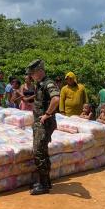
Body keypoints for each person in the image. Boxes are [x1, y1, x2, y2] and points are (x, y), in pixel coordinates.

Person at [27, 59, 60, 195]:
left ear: (40, 71)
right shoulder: (40, 84)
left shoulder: (48, 83)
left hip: (44, 123)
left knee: (39, 153)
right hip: (40, 123)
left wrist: (47, 114)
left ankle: (44, 185)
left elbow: (56, 99)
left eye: (33, 73)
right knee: (42, 152)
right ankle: (45, 181)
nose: (31, 76)